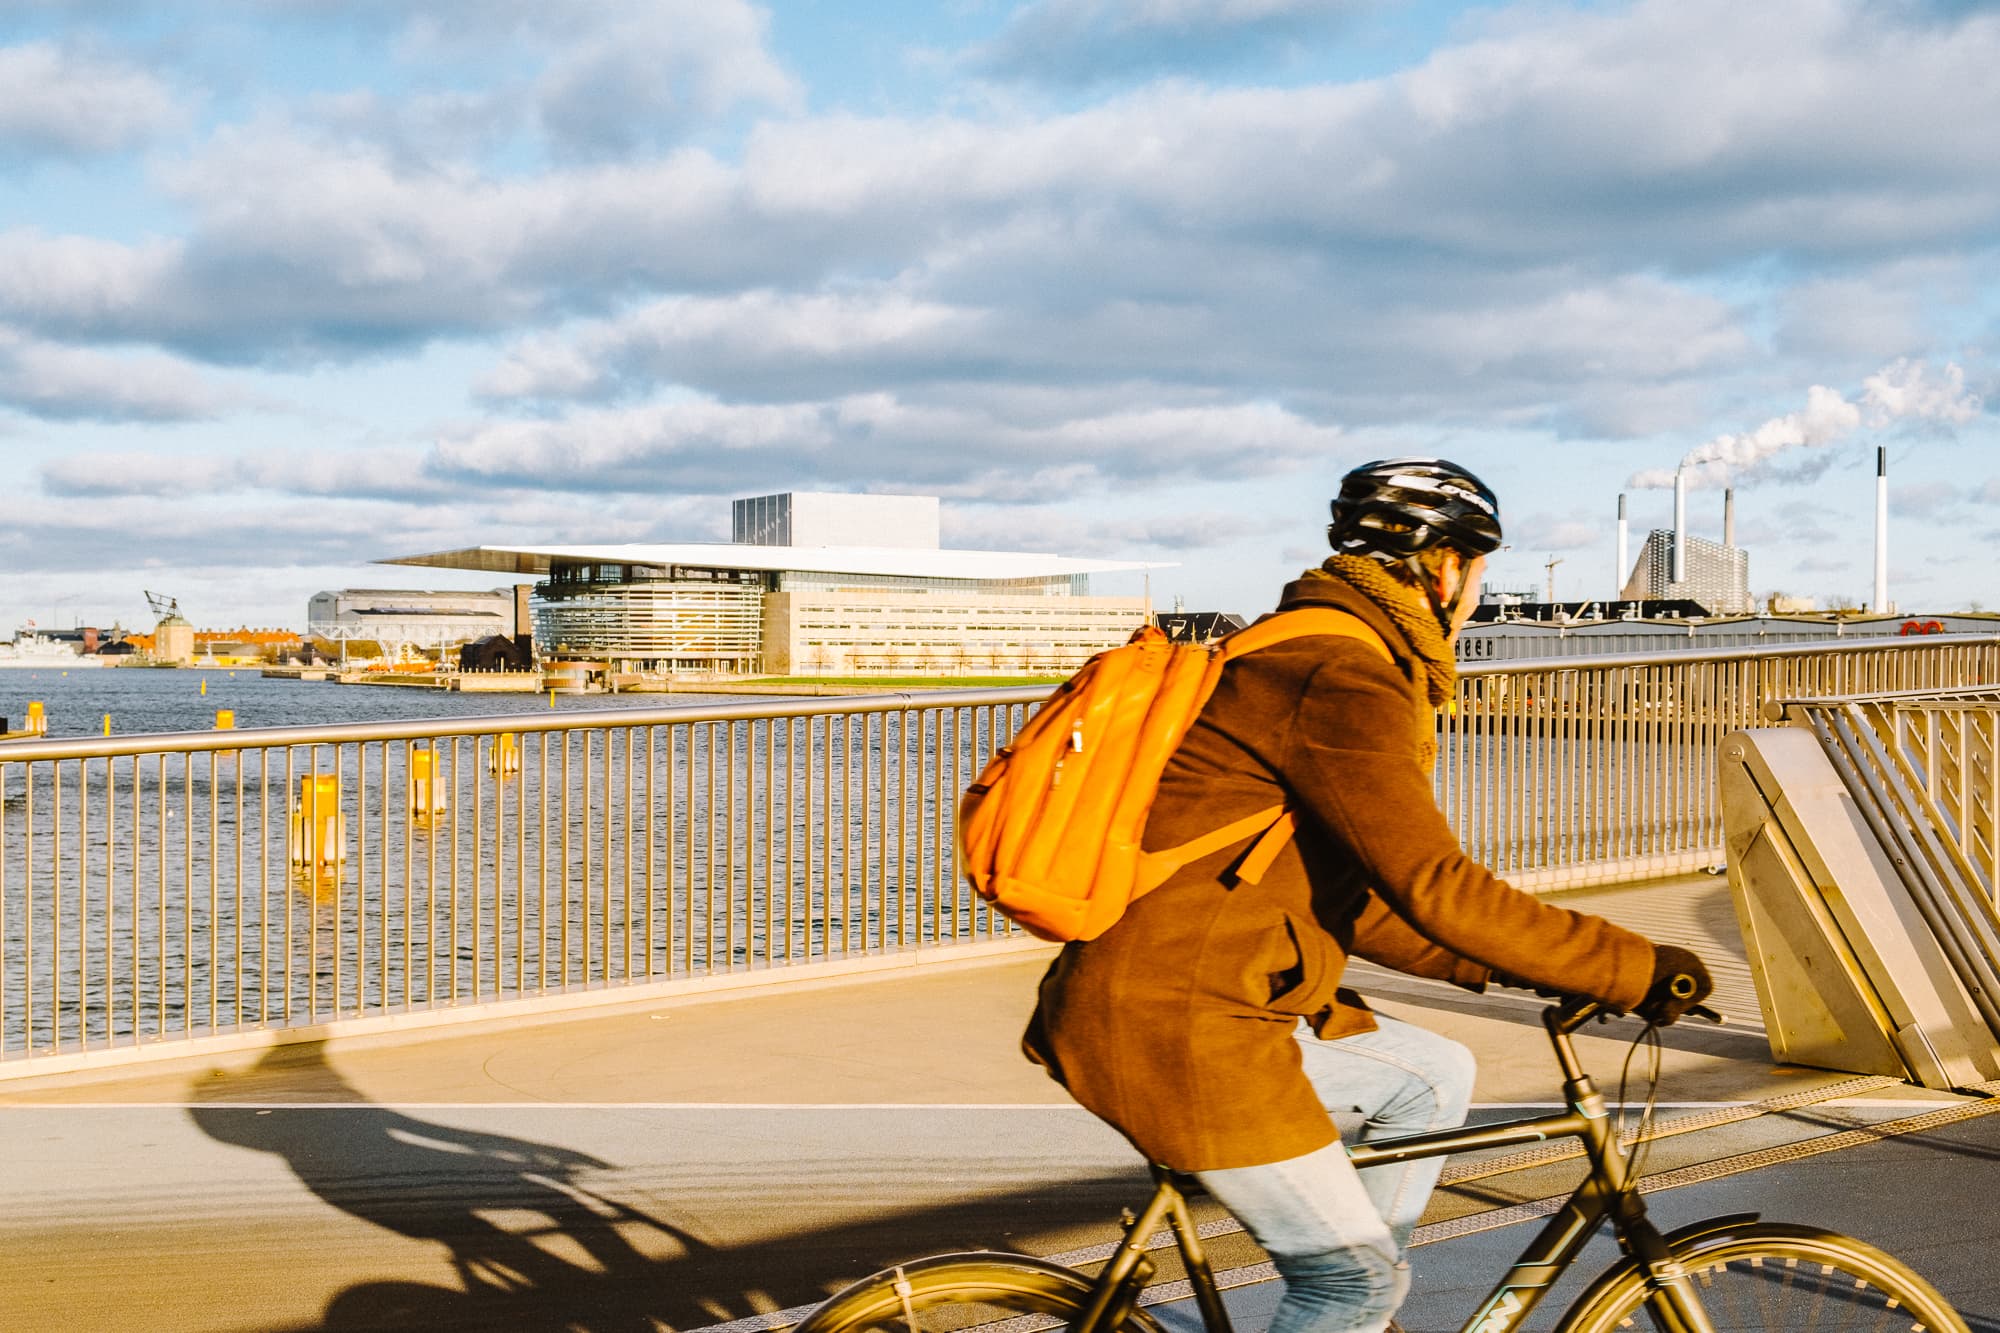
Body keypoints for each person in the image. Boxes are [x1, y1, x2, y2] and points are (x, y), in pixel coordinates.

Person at [1023, 457, 1713, 1333]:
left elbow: (1371, 903)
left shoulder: (1302, 645)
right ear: (1445, 566)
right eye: (1478, 569)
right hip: (1185, 1024)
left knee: (1430, 1076)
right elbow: (1439, 883)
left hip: (1175, 1000)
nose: (1474, 595)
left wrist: (1528, 969)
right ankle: (1348, 1300)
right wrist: (1634, 965)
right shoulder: (1341, 675)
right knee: (1349, 1283)